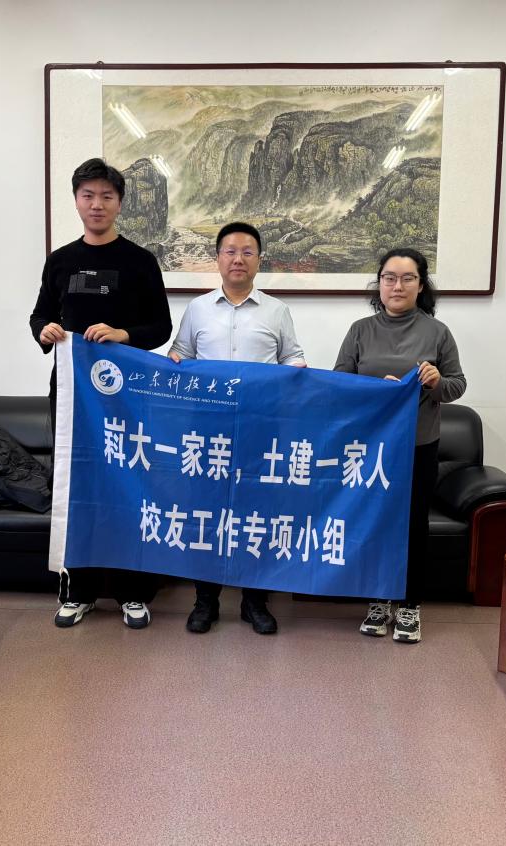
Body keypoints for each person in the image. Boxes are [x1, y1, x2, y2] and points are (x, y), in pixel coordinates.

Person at [30, 157, 172, 631]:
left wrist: (123, 334)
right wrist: (45, 330)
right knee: (77, 487)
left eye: (106, 196)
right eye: (88, 196)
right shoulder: (60, 261)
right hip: (74, 397)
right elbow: (40, 315)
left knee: (129, 484)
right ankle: (79, 591)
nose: (97, 204)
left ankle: (133, 592)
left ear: (119, 203)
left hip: (128, 395)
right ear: (76, 201)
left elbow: (160, 327)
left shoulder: (140, 261)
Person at [168, 221, 306, 635]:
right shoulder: (197, 309)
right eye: (230, 251)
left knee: (257, 513)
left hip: (259, 429)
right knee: (206, 513)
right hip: (207, 431)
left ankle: (254, 601)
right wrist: (172, 362)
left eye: (247, 252)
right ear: (218, 258)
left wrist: (296, 371)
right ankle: (205, 601)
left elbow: (293, 359)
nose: (238, 259)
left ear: (259, 260)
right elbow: (181, 354)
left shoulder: (277, 311)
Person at [334, 247, 465, 643]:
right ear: (379, 283)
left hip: (417, 444)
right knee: (372, 520)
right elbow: (340, 381)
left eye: (408, 278)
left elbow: (457, 385)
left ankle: (410, 605)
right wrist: (376, 389)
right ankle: (378, 599)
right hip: (369, 446)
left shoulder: (437, 332)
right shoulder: (360, 330)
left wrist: (435, 382)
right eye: (389, 277)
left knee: (412, 525)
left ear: (421, 285)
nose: (398, 285)